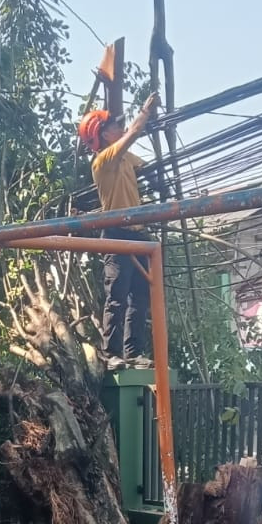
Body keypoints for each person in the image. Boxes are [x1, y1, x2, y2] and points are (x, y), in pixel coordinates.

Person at [78, 92, 158, 365]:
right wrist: (145, 113)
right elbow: (133, 133)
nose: (119, 128)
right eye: (114, 126)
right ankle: (111, 354)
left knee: (140, 297)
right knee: (118, 296)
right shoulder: (103, 161)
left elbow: (148, 167)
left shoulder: (126, 158)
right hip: (115, 234)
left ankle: (133, 353)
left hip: (136, 233)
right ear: (103, 135)